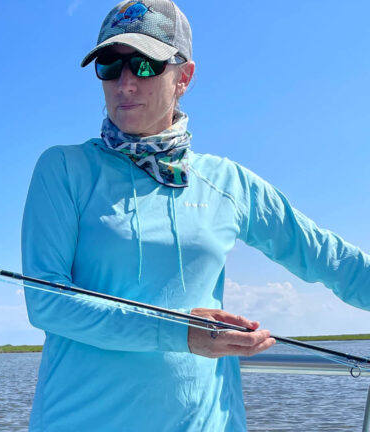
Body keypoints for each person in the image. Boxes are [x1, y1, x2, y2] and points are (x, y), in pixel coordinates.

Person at [20, 0, 370, 430]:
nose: (125, 82)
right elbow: (48, 303)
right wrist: (180, 333)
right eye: (110, 65)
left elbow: (329, 259)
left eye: (145, 64)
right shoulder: (63, 169)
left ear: (183, 77)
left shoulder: (228, 182)